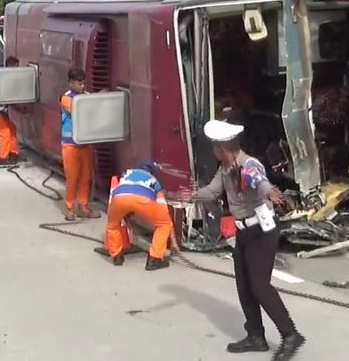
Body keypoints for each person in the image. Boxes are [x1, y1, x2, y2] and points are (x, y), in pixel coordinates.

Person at [197, 120, 305, 361]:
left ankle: (290, 335)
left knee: (260, 285)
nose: (214, 151)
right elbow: (213, 192)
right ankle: (256, 336)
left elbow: (259, 182)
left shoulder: (248, 165)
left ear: (221, 148)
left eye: (215, 147)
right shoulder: (225, 168)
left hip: (261, 231)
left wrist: (270, 193)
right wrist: (185, 194)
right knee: (244, 286)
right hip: (244, 232)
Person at [107, 161, 173, 271]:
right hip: (143, 199)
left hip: (119, 197)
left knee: (112, 225)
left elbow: (124, 189)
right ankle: (154, 259)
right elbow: (159, 194)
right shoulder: (152, 179)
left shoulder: (127, 173)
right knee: (164, 224)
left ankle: (117, 256)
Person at [60, 67, 101, 221]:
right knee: (72, 178)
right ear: (71, 83)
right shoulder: (66, 98)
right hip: (70, 145)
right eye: (79, 84)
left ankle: (83, 206)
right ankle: (70, 208)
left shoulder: (86, 96)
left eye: (83, 83)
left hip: (85, 144)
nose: (82, 86)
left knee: (86, 178)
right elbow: (80, 111)